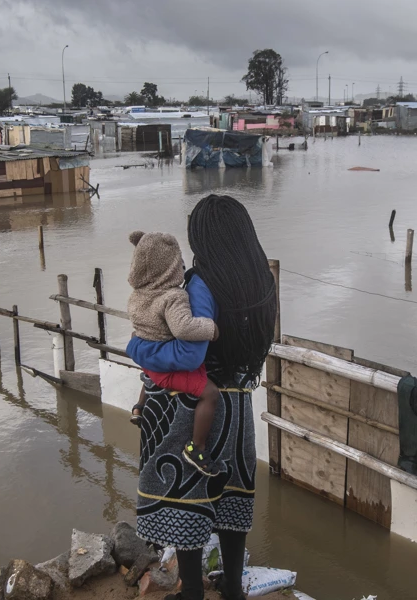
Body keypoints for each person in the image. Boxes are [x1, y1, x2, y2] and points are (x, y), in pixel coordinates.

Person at [127, 194, 277, 600]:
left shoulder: (197, 283)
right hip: (238, 406)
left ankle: (191, 590)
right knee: (231, 496)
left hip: (191, 405)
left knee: (186, 495)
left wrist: (139, 352)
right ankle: (232, 587)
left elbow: (183, 346)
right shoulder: (262, 283)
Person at [124, 230, 221, 476]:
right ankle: (196, 447)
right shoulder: (173, 297)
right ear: (169, 268)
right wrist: (211, 329)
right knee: (210, 394)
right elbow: (184, 327)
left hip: (148, 361)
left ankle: (138, 407)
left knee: (150, 366)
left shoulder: (138, 295)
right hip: (165, 369)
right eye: (178, 260)